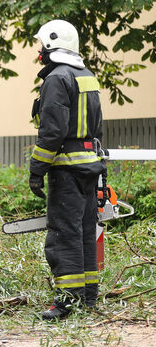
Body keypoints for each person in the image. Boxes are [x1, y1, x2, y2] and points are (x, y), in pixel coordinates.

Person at [29, 19, 104, 320]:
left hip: (66, 169)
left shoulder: (56, 79)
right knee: (86, 232)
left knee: (63, 235)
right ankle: (87, 298)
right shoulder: (86, 75)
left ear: (50, 45)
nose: (39, 51)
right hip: (88, 165)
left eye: (41, 45)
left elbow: (52, 132)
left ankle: (68, 301)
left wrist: (37, 169)